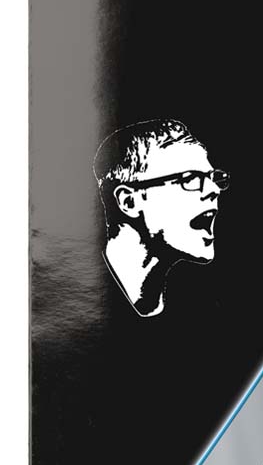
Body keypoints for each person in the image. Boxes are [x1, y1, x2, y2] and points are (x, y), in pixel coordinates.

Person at [92, 118, 230, 317]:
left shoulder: (200, 308)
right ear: (129, 201)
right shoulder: (75, 302)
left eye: (213, 178)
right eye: (190, 179)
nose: (214, 189)